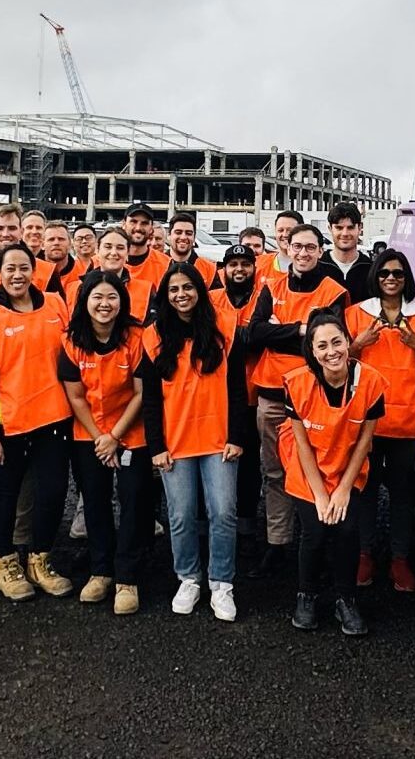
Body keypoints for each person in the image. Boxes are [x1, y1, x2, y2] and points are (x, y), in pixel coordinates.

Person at [0, 244, 76, 601]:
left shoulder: (56, 306)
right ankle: (4, 562)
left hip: (54, 420)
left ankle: (40, 559)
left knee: (53, 491)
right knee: (4, 495)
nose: (17, 275)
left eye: (24, 268)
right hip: (8, 424)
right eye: (10, 268)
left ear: (34, 271)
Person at [144, 262, 247, 621]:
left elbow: (237, 388)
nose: (181, 295)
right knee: (182, 514)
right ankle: (188, 577)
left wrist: (237, 436)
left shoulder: (225, 330)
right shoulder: (153, 336)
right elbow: (151, 397)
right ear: (165, 296)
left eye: (187, 287)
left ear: (200, 291)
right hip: (175, 442)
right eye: (173, 290)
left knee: (223, 512)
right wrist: (155, 445)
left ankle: (222, 583)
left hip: (219, 440)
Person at [246, 223, 348, 579]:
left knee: (319, 473)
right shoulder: (271, 286)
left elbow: (330, 342)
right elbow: (254, 332)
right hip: (273, 394)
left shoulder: (333, 290)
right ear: (286, 248)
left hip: (317, 396)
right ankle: (277, 543)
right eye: (297, 246)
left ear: (321, 251)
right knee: (275, 472)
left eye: (310, 247)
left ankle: (319, 543)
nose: (303, 253)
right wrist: (300, 329)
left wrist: (282, 331)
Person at [277, 313, 386, 635]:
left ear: (348, 342)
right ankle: (306, 595)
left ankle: (346, 599)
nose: (331, 351)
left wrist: (342, 491)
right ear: (312, 350)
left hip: (347, 467)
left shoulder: (371, 382)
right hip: (308, 469)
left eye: (337, 342)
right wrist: (321, 495)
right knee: (313, 530)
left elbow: (365, 442)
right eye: (321, 345)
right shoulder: (297, 384)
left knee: (347, 528)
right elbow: (301, 445)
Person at [59, 271, 152, 615]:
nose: (104, 304)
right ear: (84, 301)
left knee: (133, 501)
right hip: (89, 434)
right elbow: (76, 397)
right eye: (97, 297)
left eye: (112, 297)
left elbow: (142, 393)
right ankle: (101, 571)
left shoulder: (137, 337)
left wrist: (115, 437)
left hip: (130, 431)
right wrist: (100, 437)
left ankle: (128, 576)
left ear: (121, 302)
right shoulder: (71, 341)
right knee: (94, 500)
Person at [342, 249, 415, 592]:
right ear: (375, 277)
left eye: (397, 273)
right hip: (365, 420)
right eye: (384, 273)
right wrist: (357, 345)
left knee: (402, 494)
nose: (391, 279)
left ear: (407, 278)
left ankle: (399, 558)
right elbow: (336, 362)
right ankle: (364, 554)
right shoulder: (355, 315)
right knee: (363, 490)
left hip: (407, 421)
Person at [211, 245, 267, 547]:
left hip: (254, 394)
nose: (239, 270)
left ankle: (246, 525)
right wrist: (247, 337)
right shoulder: (212, 298)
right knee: (218, 462)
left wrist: (241, 338)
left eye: (246, 263)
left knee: (248, 466)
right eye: (233, 264)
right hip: (217, 397)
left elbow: (263, 338)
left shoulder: (263, 297)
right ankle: (215, 525)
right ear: (224, 269)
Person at [66, 227, 158, 323]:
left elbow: (152, 332)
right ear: (97, 251)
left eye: (120, 248)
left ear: (127, 254)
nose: (113, 253)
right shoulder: (75, 289)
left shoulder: (146, 291)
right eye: (108, 247)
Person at [320, 202, 373, 302]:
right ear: (330, 229)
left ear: (360, 228)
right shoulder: (318, 267)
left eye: (350, 227)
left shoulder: (371, 269)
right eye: (339, 228)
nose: (345, 233)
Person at [121, 204, 172, 291]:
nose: (138, 228)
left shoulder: (166, 264)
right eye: (133, 221)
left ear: (151, 228)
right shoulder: (102, 261)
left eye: (144, 223)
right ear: (124, 224)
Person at [167, 211, 218, 281]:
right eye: (178, 232)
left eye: (189, 233)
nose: (183, 237)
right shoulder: (156, 265)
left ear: (194, 238)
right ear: (169, 235)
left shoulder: (209, 269)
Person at [253, 211, 299, 285]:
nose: (284, 234)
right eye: (280, 230)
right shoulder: (259, 263)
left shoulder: (312, 266)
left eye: (290, 231)